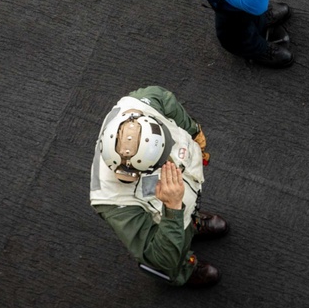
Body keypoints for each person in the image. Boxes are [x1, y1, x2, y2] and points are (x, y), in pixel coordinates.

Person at [90, 85, 226, 288]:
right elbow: (160, 257)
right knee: (170, 262)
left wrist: (193, 131)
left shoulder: (139, 104)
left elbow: (163, 98)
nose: (168, 165)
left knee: (185, 213)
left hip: (178, 198)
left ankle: (191, 221)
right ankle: (185, 269)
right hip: (164, 217)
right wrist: (172, 208)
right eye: (161, 163)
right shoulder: (111, 201)